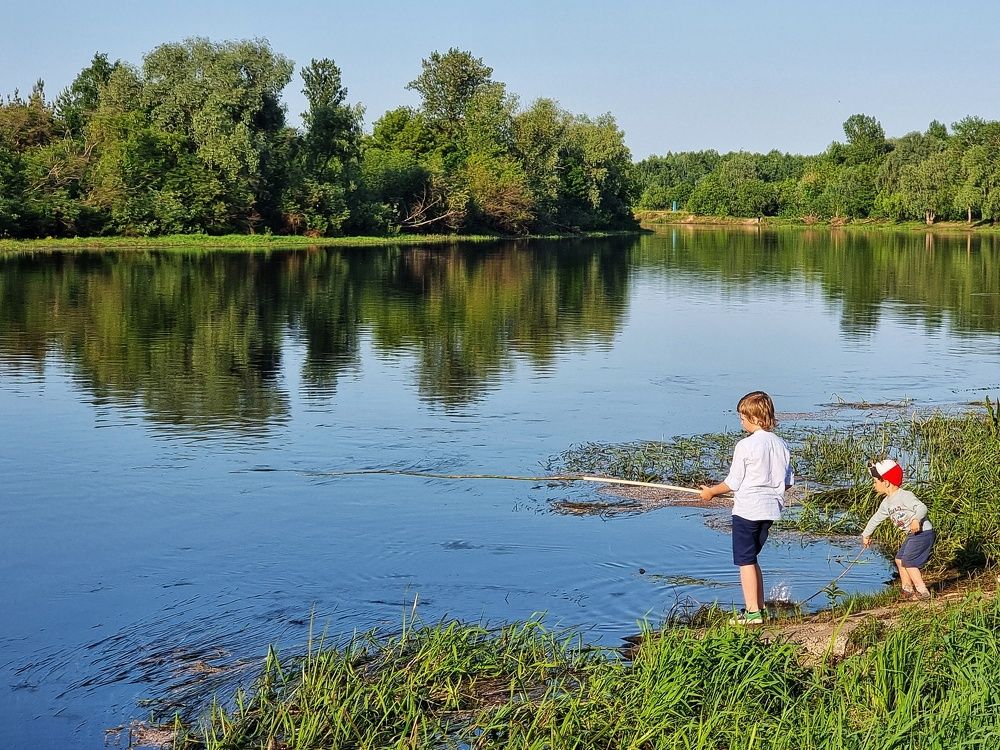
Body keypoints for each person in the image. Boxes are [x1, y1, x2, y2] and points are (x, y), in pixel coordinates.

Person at [700, 391, 793, 625]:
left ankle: (752, 613)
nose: (741, 422)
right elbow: (789, 482)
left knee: (745, 561)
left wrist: (710, 492)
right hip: (770, 511)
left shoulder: (745, 445)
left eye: (743, 417)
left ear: (756, 418)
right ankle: (759, 608)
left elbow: (732, 483)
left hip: (747, 511)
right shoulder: (782, 444)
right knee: (751, 559)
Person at [861, 459, 934, 600]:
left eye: (876, 481)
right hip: (913, 534)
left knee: (909, 561)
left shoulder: (905, 496)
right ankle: (907, 590)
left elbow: (922, 508)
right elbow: (876, 518)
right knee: (899, 559)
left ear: (886, 482)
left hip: (923, 533)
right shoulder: (886, 503)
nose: (873, 484)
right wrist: (866, 534)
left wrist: (915, 520)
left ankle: (922, 592)